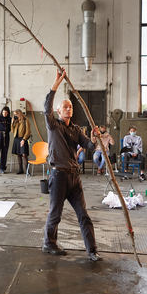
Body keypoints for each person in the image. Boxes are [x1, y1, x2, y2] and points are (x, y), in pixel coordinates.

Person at [42, 68, 102, 262]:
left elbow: (89, 146)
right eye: (65, 107)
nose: (68, 109)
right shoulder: (53, 126)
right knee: (55, 214)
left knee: (83, 215)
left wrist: (94, 138)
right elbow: (46, 107)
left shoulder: (76, 129)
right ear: (59, 111)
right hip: (58, 176)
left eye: (70, 107)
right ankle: (49, 243)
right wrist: (57, 83)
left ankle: (92, 251)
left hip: (74, 178)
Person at [11, 109, 31, 175]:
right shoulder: (16, 121)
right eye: (14, 114)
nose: (15, 115)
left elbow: (28, 131)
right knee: (18, 154)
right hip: (16, 139)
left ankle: (27, 170)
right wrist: (12, 123)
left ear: (19, 114)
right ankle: (20, 170)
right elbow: (12, 131)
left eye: (16, 114)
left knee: (24, 155)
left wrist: (24, 139)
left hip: (23, 138)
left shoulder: (25, 120)